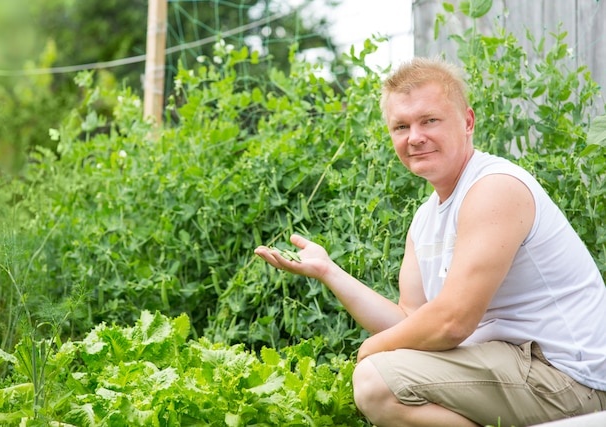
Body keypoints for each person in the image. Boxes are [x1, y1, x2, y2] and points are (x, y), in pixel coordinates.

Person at [253, 57, 606, 427]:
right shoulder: (425, 218)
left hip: (569, 379)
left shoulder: (494, 188)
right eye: (401, 126)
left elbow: (452, 323)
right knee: (381, 378)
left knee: (376, 381)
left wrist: (369, 351)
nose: (414, 137)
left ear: (467, 122)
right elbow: (410, 320)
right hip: (515, 369)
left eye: (429, 120)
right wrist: (329, 271)